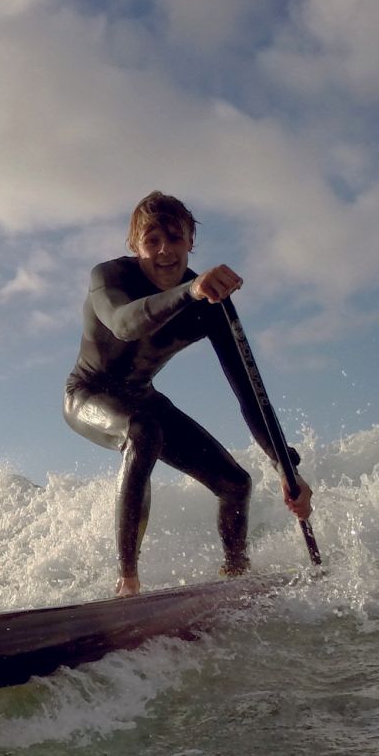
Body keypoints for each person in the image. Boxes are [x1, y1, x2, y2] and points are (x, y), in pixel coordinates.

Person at [65, 191, 314, 596]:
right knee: (144, 430)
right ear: (135, 245)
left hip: (141, 397)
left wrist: (287, 469)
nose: (165, 252)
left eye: (176, 239)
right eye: (152, 241)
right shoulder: (109, 277)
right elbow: (125, 324)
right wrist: (192, 290)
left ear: (190, 242)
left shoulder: (209, 304)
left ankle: (236, 576)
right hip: (89, 394)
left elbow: (249, 393)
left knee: (236, 483)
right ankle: (127, 581)